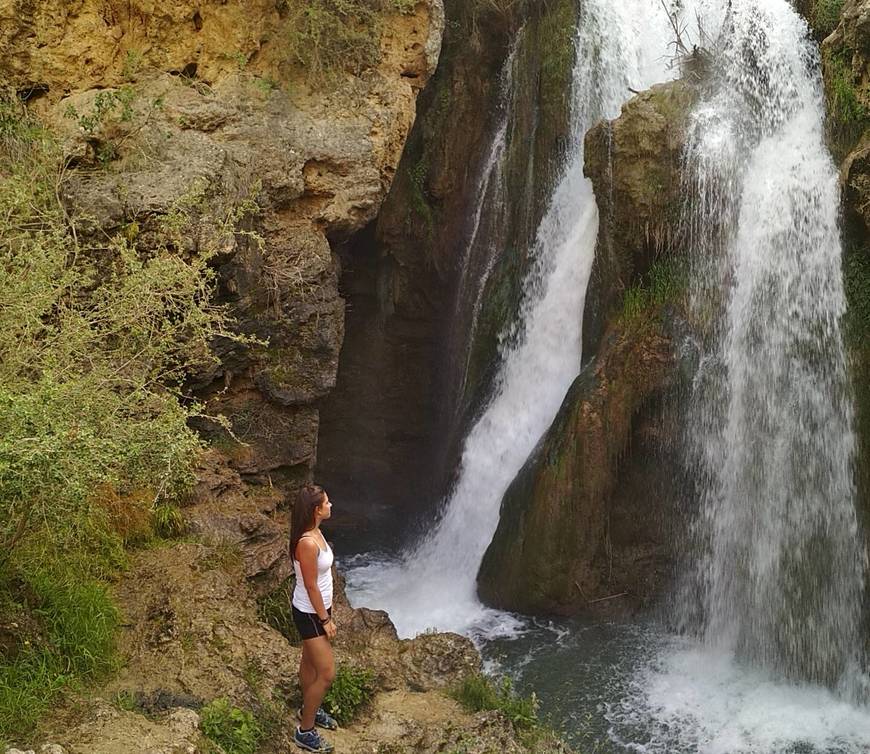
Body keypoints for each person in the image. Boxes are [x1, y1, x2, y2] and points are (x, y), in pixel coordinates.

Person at [290, 484, 338, 753]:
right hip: (309, 613)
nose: (331, 505)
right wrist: (325, 620)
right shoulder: (307, 543)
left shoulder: (316, 532)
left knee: (309, 665)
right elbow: (310, 585)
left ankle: (309, 707)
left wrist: (328, 610)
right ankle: (304, 732)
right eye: (327, 502)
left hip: (318, 610)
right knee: (327, 672)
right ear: (316, 509)